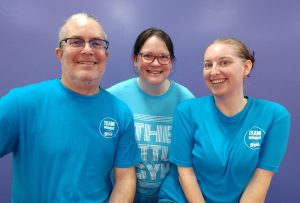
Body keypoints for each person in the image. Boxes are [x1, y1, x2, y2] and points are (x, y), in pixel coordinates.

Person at [0, 13, 141, 203]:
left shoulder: (120, 113)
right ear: (60, 53)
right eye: (76, 42)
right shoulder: (21, 103)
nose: (87, 50)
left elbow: (125, 179)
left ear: (105, 55)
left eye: (96, 43)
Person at [159, 37, 291, 203]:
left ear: (246, 67)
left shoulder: (275, 116)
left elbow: (260, 180)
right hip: (180, 198)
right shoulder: (186, 111)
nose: (213, 71)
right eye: (208, 65)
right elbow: (185, 173)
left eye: (224, 62)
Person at [107, 27, 194, 203]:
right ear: (135, 59)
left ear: (171, 62)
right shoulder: (113, 98)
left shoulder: (186, 100)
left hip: (171, 197)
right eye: (147, 56)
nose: (155, 63)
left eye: (163, 57)